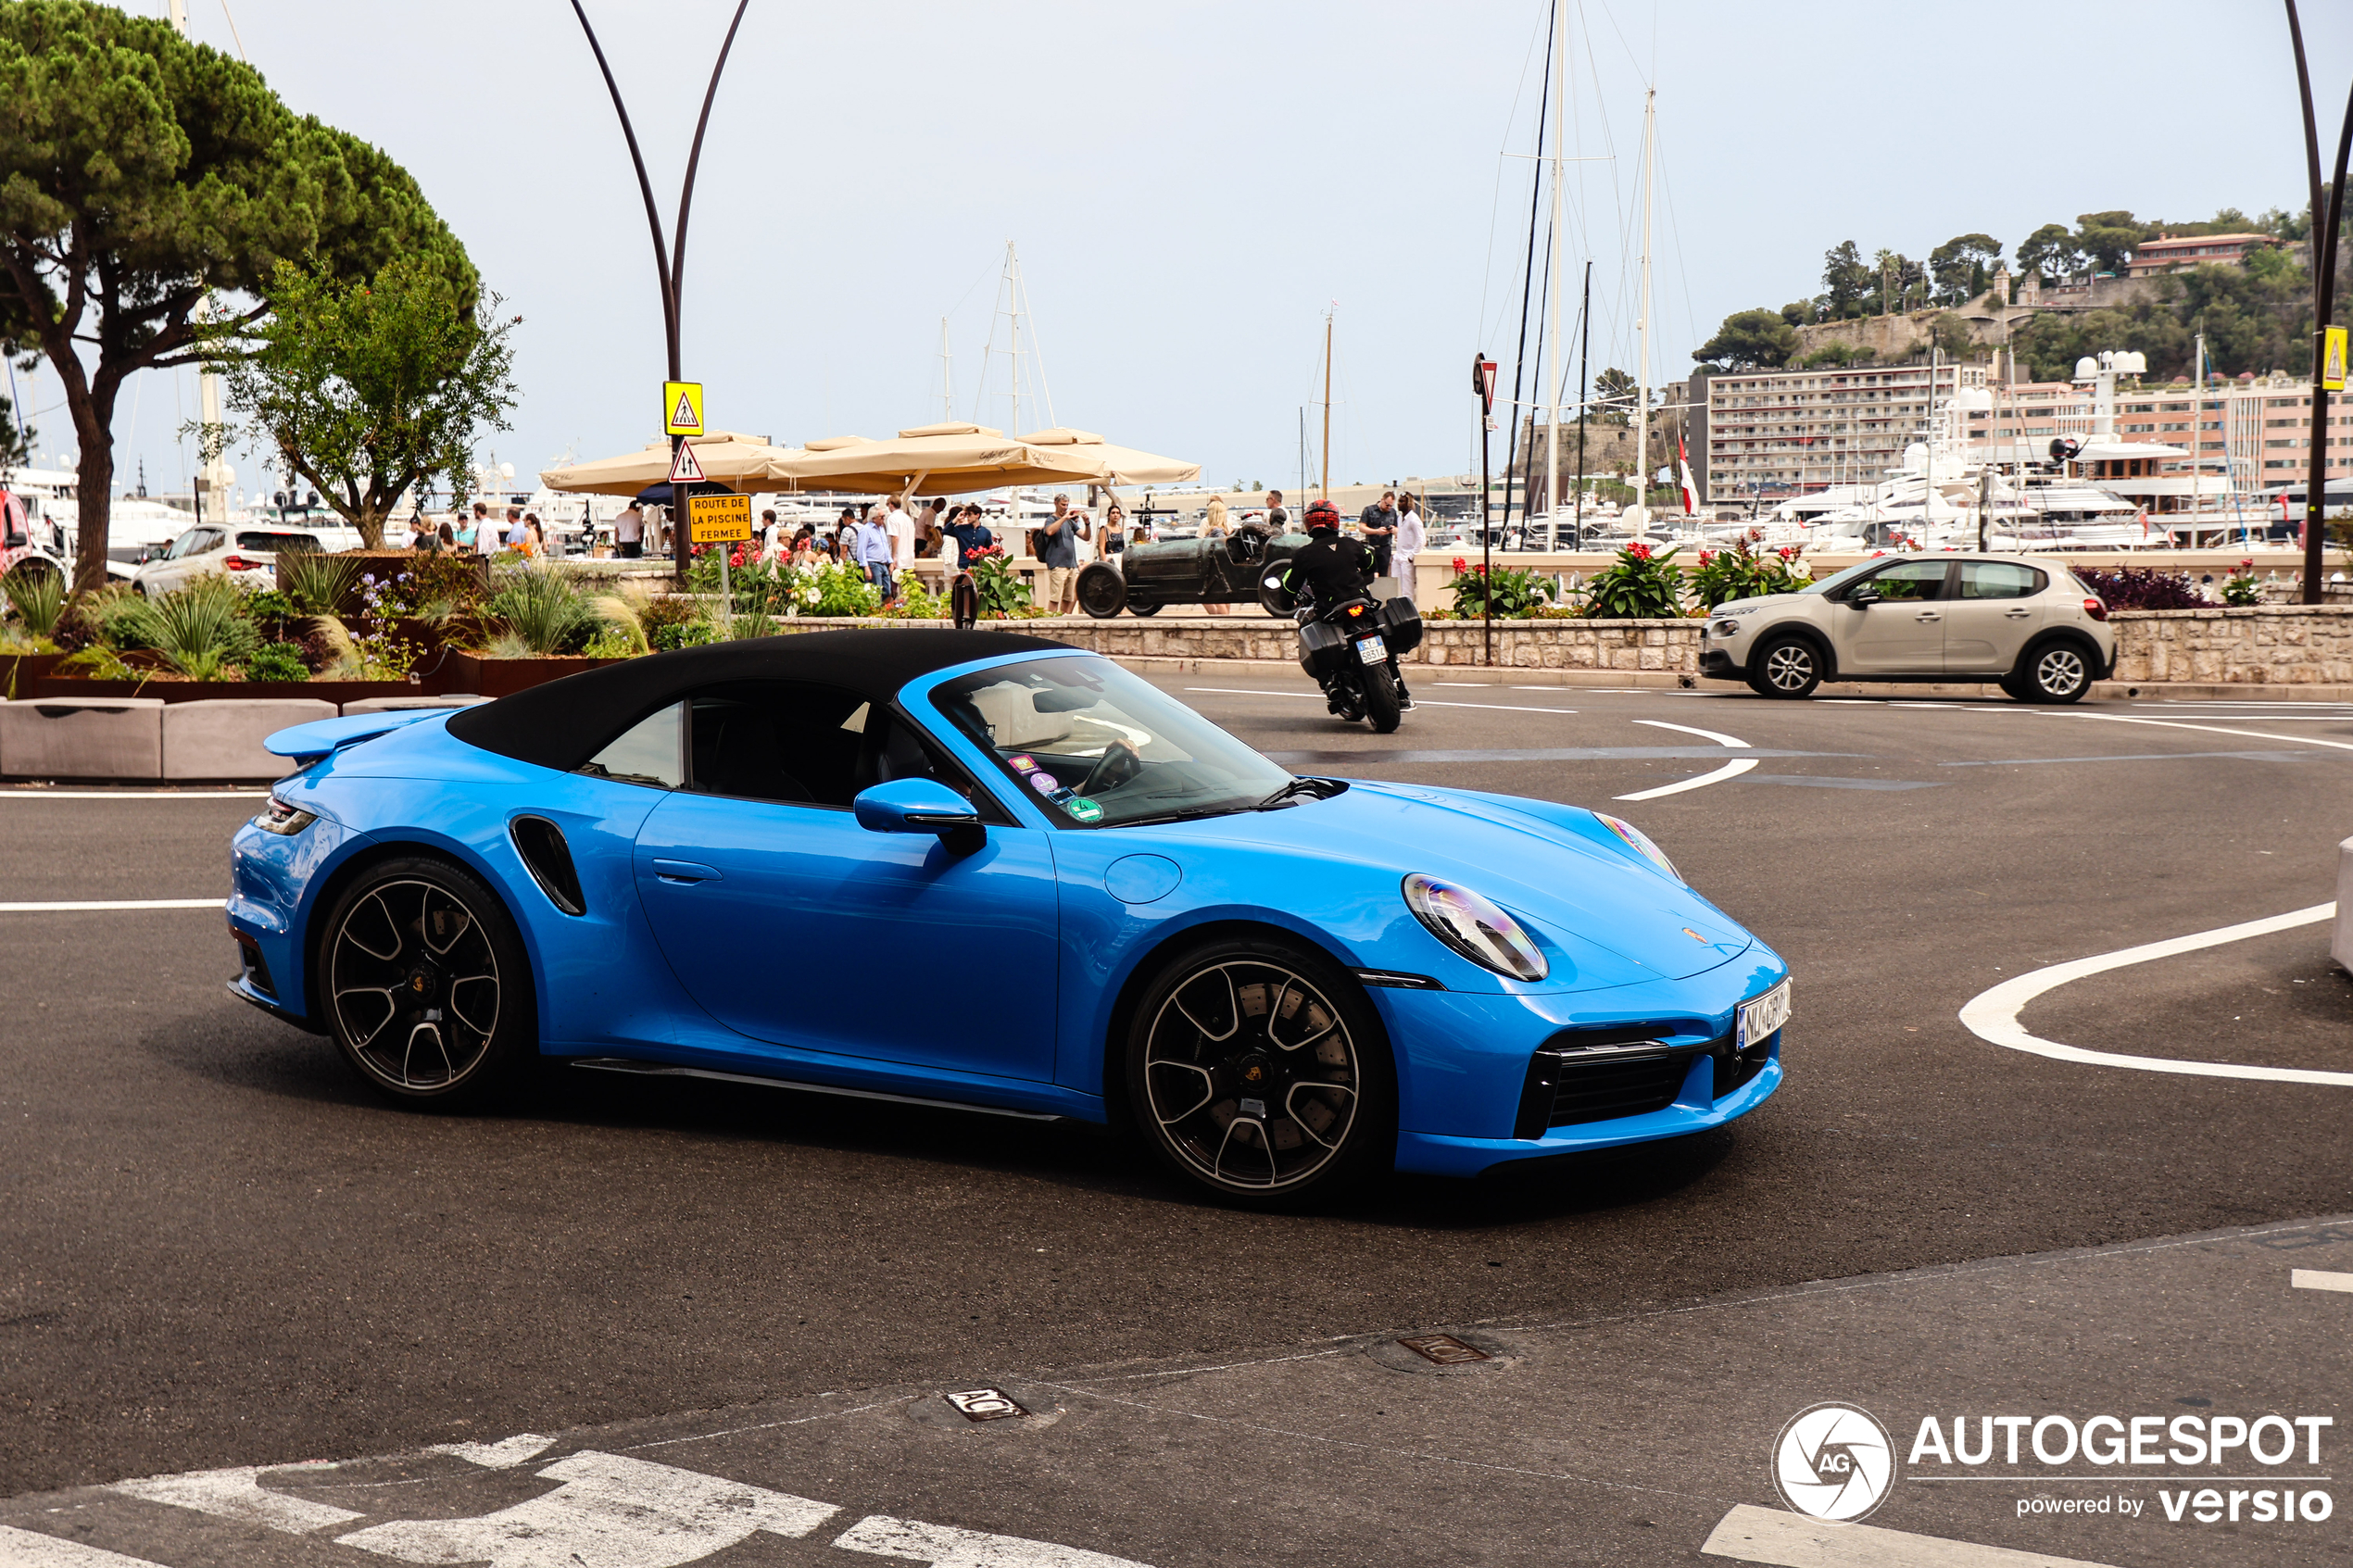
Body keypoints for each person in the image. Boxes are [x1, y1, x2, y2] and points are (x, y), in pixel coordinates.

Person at [1038, 492, 1079, 614]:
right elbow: (1049, 531)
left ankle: (1064, 620)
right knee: (1055, 598)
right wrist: (1064, 518)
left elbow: (1086, 537)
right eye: (1063, 505)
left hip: (1071, 564)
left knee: (1068, 598)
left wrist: (1087, 523)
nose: (1065, 507)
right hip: (1058, 564)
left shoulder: (1070, 522)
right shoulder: (1051, 519)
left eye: (1067, 505)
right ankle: (1051, 621)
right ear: (1056, 504)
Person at [854, 504, 895, 598]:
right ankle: (876, 609)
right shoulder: (866, 530)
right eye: (881, 517)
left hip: (883, 563)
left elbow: (885, 545)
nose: (884, 519)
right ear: (874, 518)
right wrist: (866, 567)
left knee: (887, 590)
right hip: (873, 563)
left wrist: (890, 561)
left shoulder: (881, 529)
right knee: (876, 591)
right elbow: (861, 549)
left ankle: (879, 607)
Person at [1359, 490, 1399, 578]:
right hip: (1371, 546)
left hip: (1385, 547)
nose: (1388, 507)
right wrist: (1377, 531)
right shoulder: (1369, 510)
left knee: (1383, 574)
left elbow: (1397, 529)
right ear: (1382, 500)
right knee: (1370, 573)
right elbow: (1362, 527)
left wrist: (1393, 530)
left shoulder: (1393, 512)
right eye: (1387, 505)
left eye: (1390, 506)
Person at [1394, 493, 1426, 593]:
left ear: (1408, 503)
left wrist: (1411, 556)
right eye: (1399, 501)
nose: (1399, 504)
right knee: (1396, 587)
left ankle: (1407, 608)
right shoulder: (1400, 518)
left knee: (1407, 589)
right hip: (1398, 556)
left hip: (1407, 558)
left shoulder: (1414, 519)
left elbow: (1421, 539)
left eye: (1402, 501)